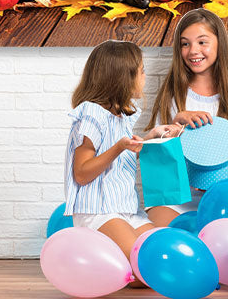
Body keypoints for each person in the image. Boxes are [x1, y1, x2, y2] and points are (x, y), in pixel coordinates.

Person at [65, 39, 182, 281]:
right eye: (142, 71)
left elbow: (121, 156)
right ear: (123, 77)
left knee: (165, 258)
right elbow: (82, 173)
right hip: (99, 211)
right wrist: (119, 147)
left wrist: (151, 138)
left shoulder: (120, 116)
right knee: (146, 271)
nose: (144, 77)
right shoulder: (92, 115)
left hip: (126, 210)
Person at [146, 8, 228, 226]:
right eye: (185, 43)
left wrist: (217, 185)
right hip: (176, 196)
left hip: (223, 195)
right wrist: (175, 127)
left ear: (219, 44)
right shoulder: (173, 93)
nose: (192, 51)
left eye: (202, 42)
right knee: (162, 234)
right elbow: (159, 161)